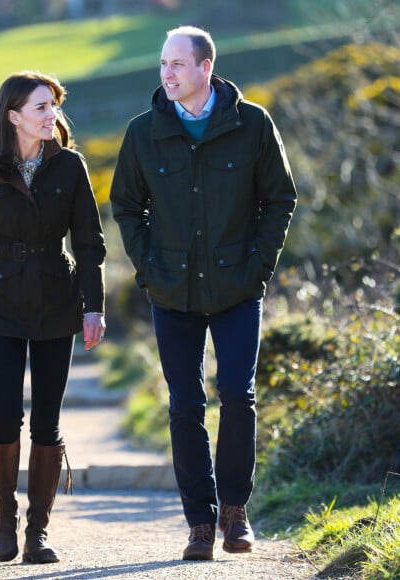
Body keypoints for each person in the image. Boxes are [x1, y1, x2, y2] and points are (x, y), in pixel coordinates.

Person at [110, 26, 297, 561]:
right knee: (184, 404)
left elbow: (279, 199)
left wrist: (258, 267)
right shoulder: (143, 133)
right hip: (171, 293)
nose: (166, 74)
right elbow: (126, 205)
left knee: (238, 396)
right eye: (162, 64)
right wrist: (148, 269)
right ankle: (199, 523)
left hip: (239, 288)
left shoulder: (253, 124)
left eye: (176, 64)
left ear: (205, 67)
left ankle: (235, 513)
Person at [0, 71, 106, 565]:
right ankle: (3, 514)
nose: (51, 115)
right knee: (4, 417)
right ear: (13, 115)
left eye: (54, 106)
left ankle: (37, 532)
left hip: (56, 302)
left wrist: (93, 306)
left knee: (47, 420)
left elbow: (89, 244)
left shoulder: (72, 167)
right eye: (41, 107)